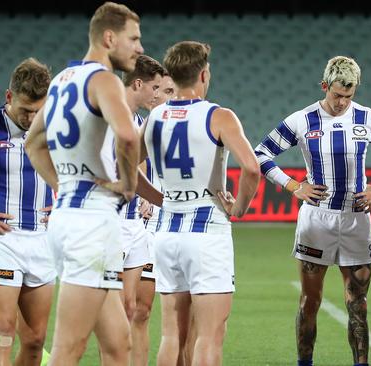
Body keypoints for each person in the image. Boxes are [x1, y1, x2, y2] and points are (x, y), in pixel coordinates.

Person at [255, 56, 371, 366]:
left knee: (358, 303)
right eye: (337, 95)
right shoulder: (303, 119)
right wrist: (293, 185)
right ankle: (305, 363)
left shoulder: (366, 118)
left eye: (348, 96)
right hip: (317, 218)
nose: (342, 102)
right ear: (325, 86)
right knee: (310, 301)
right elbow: (261, 153)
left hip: (356, 219)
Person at [24, 2, 143, 364]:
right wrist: (127, 184)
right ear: (109, 38)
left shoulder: (62, 79)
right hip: (90, 225)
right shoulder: (103, 79)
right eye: (133, 38)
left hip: (72, 217)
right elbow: (127, 134)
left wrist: (62, 185)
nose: (139, 47)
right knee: (68, 349)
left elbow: (33, 141)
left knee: (119, 344)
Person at [144, 41, 260, 366]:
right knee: (209, 337)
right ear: (204, 74)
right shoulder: (218, 116)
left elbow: (125, 167)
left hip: (166, 233)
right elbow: (252, 168)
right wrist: (239, 209)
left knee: (171, 336)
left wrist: (160, 198)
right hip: (207, 229)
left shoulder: (155, 116)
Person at [0, 58, 54, 366]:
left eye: (37, 109)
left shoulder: (55, 129)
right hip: (0, 241)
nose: (31, 117)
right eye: (25, 109)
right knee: (3, 331)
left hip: (42, 239)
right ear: (9, 97)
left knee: (36, 341)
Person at [99, 54, 164, 365]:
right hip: (107, 225)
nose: (158, 93)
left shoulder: (140, 121)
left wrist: (151, 197)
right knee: (106, 315)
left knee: (133, 309)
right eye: (154, 87)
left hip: (136, 225)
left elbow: (136, 168)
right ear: (138, 83)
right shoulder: (107, 115)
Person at [132, 69, 174, 366]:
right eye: (157, 89)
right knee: (140, 309)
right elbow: (126, 165)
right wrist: (144, 196)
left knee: (183, 315)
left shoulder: (193, 126)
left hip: (181, 227)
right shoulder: (136, 123)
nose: (159, 94)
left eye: (168, 90)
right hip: (146, 227)